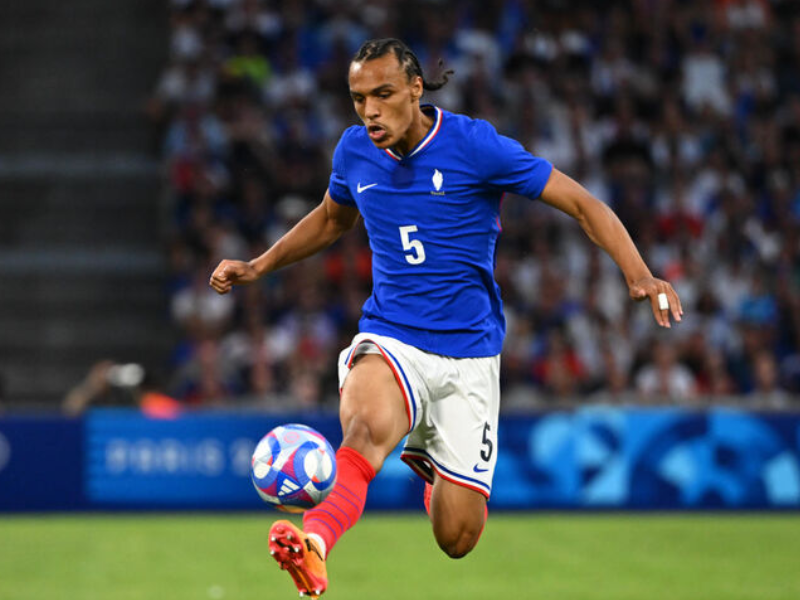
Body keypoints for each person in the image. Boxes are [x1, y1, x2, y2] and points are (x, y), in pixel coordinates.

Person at [209, 38, 683, 598]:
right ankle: (314, 545)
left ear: (416, 88)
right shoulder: (354, 151)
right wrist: (259, 265)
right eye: (359, 99)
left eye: (383, 95)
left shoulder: (474, 145)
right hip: (391, 337)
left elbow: (582, 203)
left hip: (469, 355)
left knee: (457, 538)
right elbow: (333, 219)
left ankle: (434, 466)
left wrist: (639, 273)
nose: (370, 112)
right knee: (363, 433)